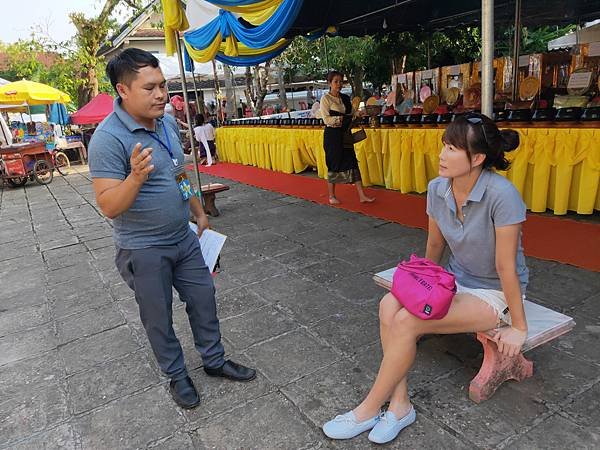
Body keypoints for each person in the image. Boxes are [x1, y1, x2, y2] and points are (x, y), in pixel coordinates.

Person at [322, 112, 529, 444]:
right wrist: (421, 288)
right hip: (456, 279)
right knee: (389, 305)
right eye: (444, 145)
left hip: (495, 292)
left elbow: (506, 267)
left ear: (477, 159)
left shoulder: (502, 195)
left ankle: (368, 408)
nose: (442, 155)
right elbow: (435, 244)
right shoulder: (437, 189)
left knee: (406, 323)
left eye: (453, 149)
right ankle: (400, 405)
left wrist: (518, 327)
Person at [88, 48, 255, 410]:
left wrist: (198, 211)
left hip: (183, 237)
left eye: (162, 85)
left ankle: (214, 360)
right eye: (149, 88)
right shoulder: (106, 139)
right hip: (143, 248)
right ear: (123, 90)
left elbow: (178, 172)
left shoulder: (164, 124)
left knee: (203, 299)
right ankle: (177, 374)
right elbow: (108, 205)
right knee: (158, 316)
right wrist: (134, 177)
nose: (161, 95)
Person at [320, 70, 374, 205]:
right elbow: (326, 120)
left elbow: (352, 112)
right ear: (329, 83)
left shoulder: (344, 98)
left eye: (340, 81)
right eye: (335, 81)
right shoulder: (325, 99)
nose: (338, 84)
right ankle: (332, 195)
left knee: (352, 162)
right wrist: (343, 119)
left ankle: (362, 195)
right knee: (334, 164)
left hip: (345, 135)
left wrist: (359, 113)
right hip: (332, 137)